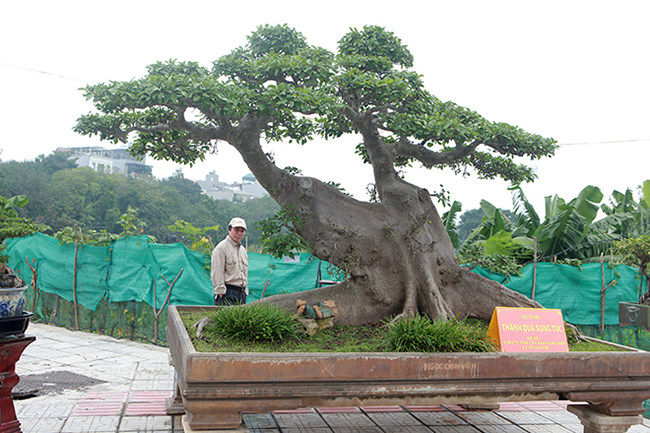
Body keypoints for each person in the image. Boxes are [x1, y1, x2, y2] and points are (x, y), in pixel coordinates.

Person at [211, 217, 248, 306]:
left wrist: (245, 291)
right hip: (227, 292)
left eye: (242, 231)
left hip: (241, 293)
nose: (239, 233)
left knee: (240, 319)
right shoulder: (221, 248)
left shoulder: (243, 250)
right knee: (227, 319)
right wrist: (220, 291)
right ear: (229, 230)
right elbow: (217, 271)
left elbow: (245, 272)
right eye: (236, 230)